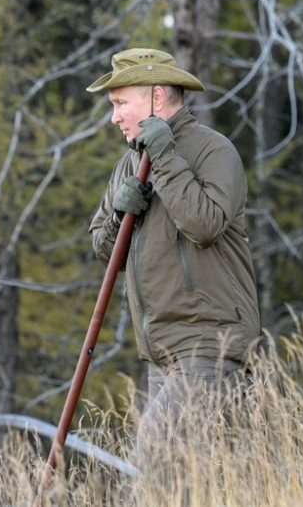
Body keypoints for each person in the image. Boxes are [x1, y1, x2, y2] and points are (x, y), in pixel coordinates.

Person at [86, 48, 261, 470]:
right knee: (189, 481)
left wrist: (164, 159)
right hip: (162, 353)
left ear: (157, 98)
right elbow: (105, 251)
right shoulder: (128, 163)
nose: (114, 116)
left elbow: (205, 225)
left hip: (209, 341)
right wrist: (119, 215)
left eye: (120, 103)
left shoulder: (213, 152)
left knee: (154, 463)